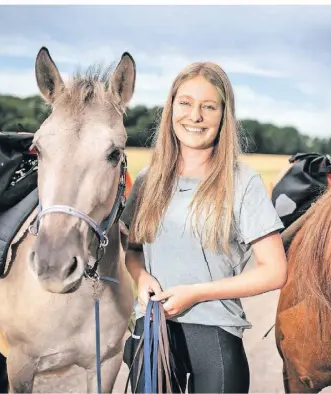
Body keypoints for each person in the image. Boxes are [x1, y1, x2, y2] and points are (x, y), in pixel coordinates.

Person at [120, 61, 288, 393]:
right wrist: (141, 278)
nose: (195, 116)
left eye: (208, 107)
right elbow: (134, 253)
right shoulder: (147, 180)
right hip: (154, 336)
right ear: (171, 109)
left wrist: (196, 293)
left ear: (224, 116)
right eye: (185, 103)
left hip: (215, 342)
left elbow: (275, 271)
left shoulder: (242, 181)